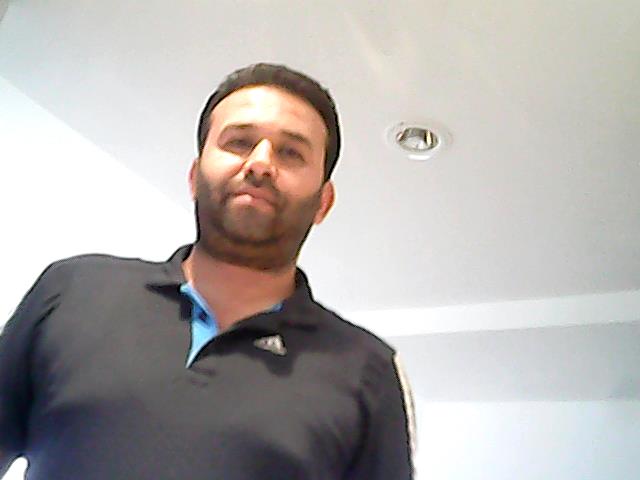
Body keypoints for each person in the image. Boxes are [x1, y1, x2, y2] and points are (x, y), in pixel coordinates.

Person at [0, 63, 416, 479]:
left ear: (323, 203)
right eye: (239, 142)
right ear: (194, 177)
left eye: (290, 152)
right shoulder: (73, 292)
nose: (260, 163)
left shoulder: (368, 372)